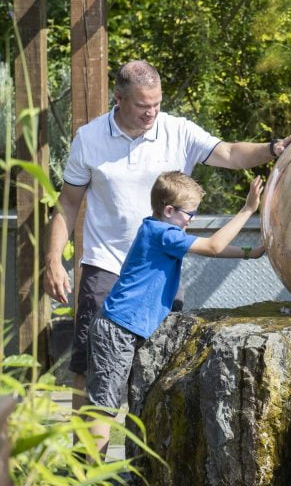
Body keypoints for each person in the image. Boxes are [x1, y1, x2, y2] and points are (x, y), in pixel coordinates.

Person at [43, 59, 291, 412]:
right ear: (118, 98)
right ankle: (87, 449)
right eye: (142, 105)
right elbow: (68, 203)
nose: (151, 112)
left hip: (162, 276)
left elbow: (230, 153)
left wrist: (273, 148)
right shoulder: (89, 139)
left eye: (157, 103)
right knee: (92, 371)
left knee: (158, 373)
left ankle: (144, 449)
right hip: (106, 268)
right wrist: (53, 260)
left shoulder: (178, 130)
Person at [87, 171, 265, 454]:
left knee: (121, 403)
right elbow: (213, 246)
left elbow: (211, 248)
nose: (191, 219)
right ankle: (89, 473)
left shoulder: (161, 232)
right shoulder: (162, 233)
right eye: (189, 214)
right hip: (118, 328)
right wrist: (247, 209)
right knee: (104, 408)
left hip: (127, 328)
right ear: (169, 210)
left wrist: (250, 252)